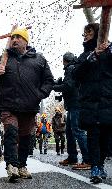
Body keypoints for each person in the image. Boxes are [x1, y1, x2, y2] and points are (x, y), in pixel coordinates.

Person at [0, 27, 54, 181]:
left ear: (26, 41)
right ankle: (12, 165)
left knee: (26, 138)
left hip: (29, 106)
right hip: (8, 106)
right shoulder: (2, 59)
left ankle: (22, 165)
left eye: (19, 37)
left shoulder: (39, 59)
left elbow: (49, 81)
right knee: (10, 132)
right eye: (13, 37)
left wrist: (39, 94)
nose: (15, 40)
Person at [74, 23, 112, 184]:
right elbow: (75, 74)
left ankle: (101, 164)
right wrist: (91, 58)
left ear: (97, 32)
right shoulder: (84, 56)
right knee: (93, 135)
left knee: (105, 136)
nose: (85, 36)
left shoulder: (110, 52)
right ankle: (95, 166)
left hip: (108, 100)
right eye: (84, 33)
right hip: (89, 102)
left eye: (88, 32)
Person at [53, 52, 90, 170]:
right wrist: (60, 85)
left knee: (77, 131)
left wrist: (54, 87)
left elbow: (69, 87)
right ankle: (72, 157)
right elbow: (70, 85)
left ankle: (88, 159)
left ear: (65, 60)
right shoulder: (73, 68)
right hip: (73, 105)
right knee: (69, 133)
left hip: (75, 105)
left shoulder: (70, 69)